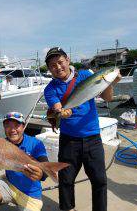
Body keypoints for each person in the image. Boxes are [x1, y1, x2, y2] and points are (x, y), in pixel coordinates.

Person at [43, 47, 121, 211]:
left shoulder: (85, 75)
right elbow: (57, 107)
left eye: (60, 62)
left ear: (68, 60)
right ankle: (67, 208)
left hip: (92, 138)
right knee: (66, 180)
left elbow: (107, 97)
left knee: (99, 180)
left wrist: (110, 82)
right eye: (52, 65)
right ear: (49, 69)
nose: (57, 67)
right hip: (68, 140)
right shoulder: (50, 89)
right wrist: (61, 113)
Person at [0, 111, 49, 211]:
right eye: (7, 126)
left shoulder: (35, 143)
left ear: (23, 126)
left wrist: (41, 174)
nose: (12, 130)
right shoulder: (1, 144)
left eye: (17, 125)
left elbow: (45, 171)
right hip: (10, 185)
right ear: (4, 128)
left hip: (30, 195)